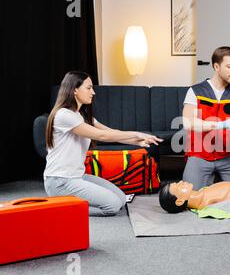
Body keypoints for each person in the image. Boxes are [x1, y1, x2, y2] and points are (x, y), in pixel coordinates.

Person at [44, 71, 163, 216]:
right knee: (111, 206)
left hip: (77, 176)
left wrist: (138, 141)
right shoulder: (64, 115)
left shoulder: (82, 116)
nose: (93, 92)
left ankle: (70, 202)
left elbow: (110, 132)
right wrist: (136, 133)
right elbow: (102, 135)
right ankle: (63, 208)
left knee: (120, 198)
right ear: (74, 89)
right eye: (88, 88)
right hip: (60, 181)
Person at [182, 46, 230, 190]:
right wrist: (220, 125)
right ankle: (214, 182)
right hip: (199, 155)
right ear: (216, 66)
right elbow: (188, 123)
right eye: (229, 66)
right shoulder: (195, 91)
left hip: (226, 157)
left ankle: (217, 182)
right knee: (190, 197)